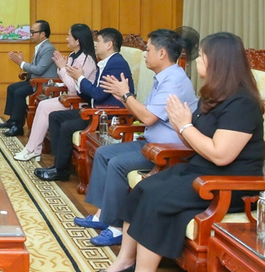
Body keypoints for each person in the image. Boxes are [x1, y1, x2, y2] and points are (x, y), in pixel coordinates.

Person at [94, 32, 265, 272]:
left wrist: (184, 126)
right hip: (200, 169)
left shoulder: (242, 103)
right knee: (142, 189)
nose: (197, 61)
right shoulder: (213, 96)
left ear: (219, 62)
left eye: (203, 56)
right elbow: (196, 142)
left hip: (227, 182)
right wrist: (183, 126)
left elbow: (221, 155)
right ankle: (126, 259)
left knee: (155, 197)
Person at [73, 29, 198, 246]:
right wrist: (123, 96)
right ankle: (104, 215)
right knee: (103, 154)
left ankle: (117, 227)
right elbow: (144, 111)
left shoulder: (174, 82)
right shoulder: (163, 77)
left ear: (162, 53)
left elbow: (148, 117)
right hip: (150, 142)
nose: (144, 54)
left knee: (118, 164)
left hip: (167, 150)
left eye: (148, 49)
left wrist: (124, 94)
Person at [35, 28, 134, 182]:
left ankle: (60, 170)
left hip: (106, 115)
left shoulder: (116, 64)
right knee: (55, 116)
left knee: (67, 126)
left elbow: (99, 94)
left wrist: (80, 78)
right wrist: (78, 80)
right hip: (95, 109)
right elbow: (91, 93)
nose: (95, 44)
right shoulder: (106, 62)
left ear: (109, 45)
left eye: (99, 41)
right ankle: (59, 164)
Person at [14, 23, 97, 160]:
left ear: (78, 40)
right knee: (43, 105)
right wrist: (61, 68)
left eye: (69, 36)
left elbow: (74, 87)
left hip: (79, 101)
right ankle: (33, 148)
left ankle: (33, 149)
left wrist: (63, 68)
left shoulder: (87, 60)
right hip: (69, 98)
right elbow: (64, 79)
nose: (66, 39)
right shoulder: (73, 55)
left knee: (44, 106)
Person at [0, 20, 58, 136]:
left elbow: (39, 70)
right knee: (12, 88)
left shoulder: (49, 49)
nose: (31, 35)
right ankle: (12, 120)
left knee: (19, 92)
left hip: (43, 84)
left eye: (33, 32)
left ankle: (18, 126)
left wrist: (21, 63)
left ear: (42, 34)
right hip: (34, 81)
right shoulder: (40, 47)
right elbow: (35, 68)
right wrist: (22, 62)